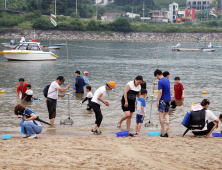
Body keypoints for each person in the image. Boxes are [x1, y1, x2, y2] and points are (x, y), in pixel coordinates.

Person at [154, 69, 171, 136]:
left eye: (156, 76)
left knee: (161, 115)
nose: (157, 78)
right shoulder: (167, 80)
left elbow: (160, 92)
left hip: (162, 100)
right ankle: (167, 122)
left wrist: (158, 101)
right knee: (166, 114)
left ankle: (163, 130)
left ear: (157, 75)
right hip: (168, 100)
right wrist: (157, 83)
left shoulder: (160, 81)